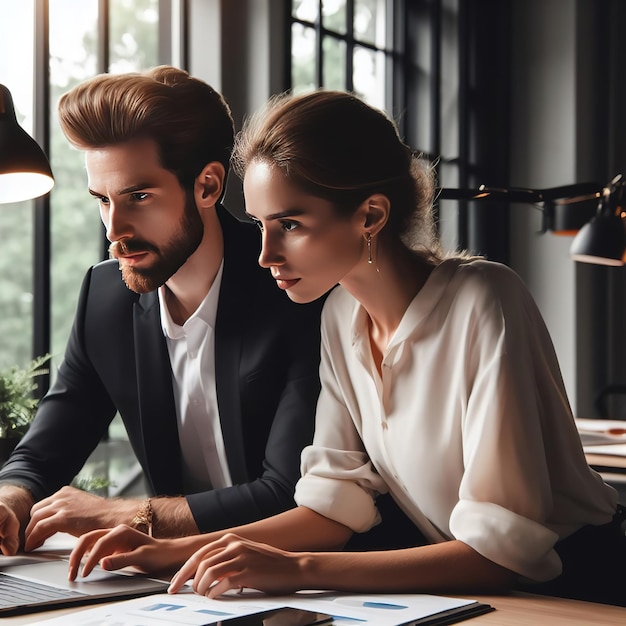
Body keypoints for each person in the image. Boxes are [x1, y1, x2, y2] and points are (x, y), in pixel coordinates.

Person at [67, 90, 626, 606]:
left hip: (587, 583)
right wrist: (167, 551)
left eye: (289, 224)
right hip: (484, 594)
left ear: (371, 216)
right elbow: (333, 505)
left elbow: (502, 552)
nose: (265, 254)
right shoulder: (339, 314)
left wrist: (299, 569)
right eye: (260, 224)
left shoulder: (484, 300)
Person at [0, 67, 327, 557]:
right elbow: (51, 440)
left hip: (302, 579)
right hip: (174, 585)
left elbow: (289, 495)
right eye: (102, 201)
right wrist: (12, 497)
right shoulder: (105, 296)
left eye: (139, 196)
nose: (116, 229)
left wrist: (130, 514)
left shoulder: (295, 289)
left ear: (208, 186)